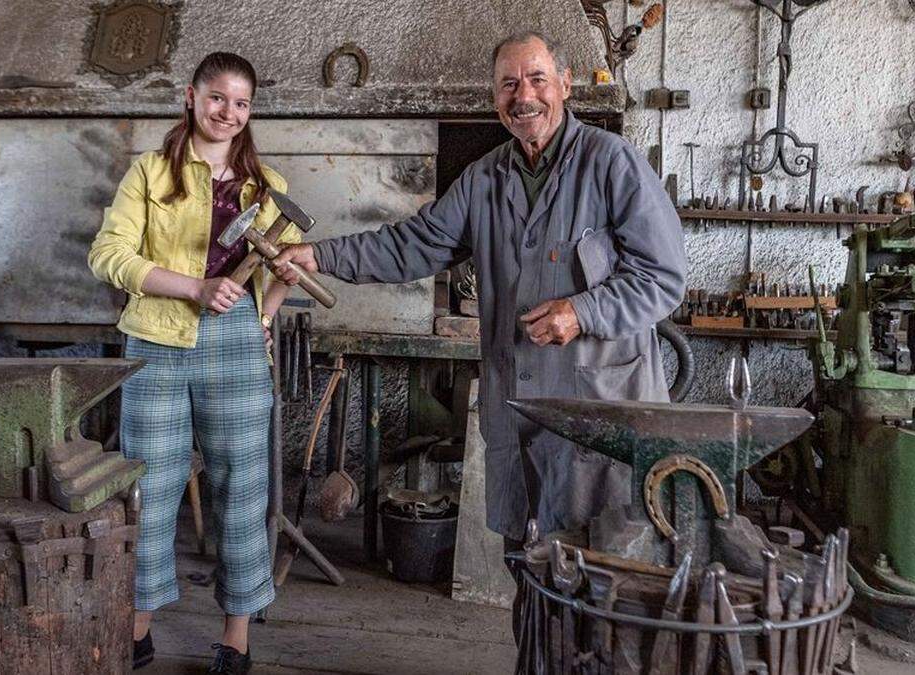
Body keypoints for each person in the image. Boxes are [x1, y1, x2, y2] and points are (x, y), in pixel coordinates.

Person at [274, 31, 685, 566]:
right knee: (528, 566)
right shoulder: (484, 178)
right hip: (517, 406)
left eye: (537, 79)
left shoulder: (612, 163)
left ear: (564, 85)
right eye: (509, 84)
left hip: (602, 411)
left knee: (606, 571)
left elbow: (664, 277)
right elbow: (413, 245)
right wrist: (320, 257)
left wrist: (583, 311)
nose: (524, 95)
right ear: (495, 98)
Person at [89, 51, 297, 675]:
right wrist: (193, 288)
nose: (227, 112)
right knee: (149, 488)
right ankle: (139, 625)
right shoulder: (149, 174)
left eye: (241, 103)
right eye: (216, 98)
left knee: (241, 486)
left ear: (250, 111)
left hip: (236, 344)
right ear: (190, 96)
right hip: (155, 340)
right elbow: (109, 256)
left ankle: (236, 635)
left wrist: (264, 313)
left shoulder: (269, 189)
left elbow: (283, 262)